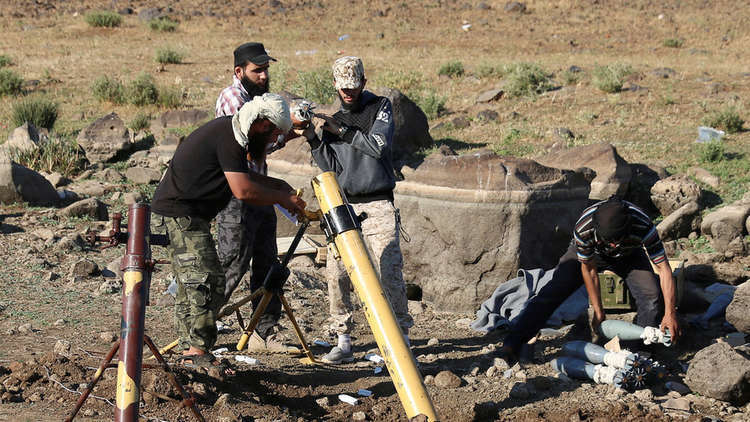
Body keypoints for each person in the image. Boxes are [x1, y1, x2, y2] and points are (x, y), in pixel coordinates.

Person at [151, 94, 306, 367]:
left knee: (193, 283)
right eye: (273, 135)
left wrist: (278, 185)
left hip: (185, 214)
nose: (273, 141)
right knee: (207, 280)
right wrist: (282, 198)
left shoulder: (232, 132)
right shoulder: (229, 137)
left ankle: (190, 350)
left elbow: (241, 175)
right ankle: (197, 353)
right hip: (179, 215)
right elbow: (243, 189)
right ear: (262, 124)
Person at [300, 56, 413, 364]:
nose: (348, 92)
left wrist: (342, 130)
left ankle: (401, 339)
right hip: (344, 204)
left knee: (388, 270)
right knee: (336, 273)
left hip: (377, 202)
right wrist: (312, 137)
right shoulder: (335, 119)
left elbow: (377, 146)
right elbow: (331, 167)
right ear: (335, 84)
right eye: (343, 87)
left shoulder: (380, 107)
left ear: (364, 82)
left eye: (353, 86)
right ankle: (343, 340)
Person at [497, 197, 682, 364]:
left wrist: (670, 313)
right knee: (552, 291)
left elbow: (663, 269)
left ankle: (639, 356)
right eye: (608, 240)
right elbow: (589, 269)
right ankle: (512, 343)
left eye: (618, 239)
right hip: (592, 256)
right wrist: (598, 311)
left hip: (630, 255)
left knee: (651, 295)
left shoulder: (642, 224)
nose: (613, 245)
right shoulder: (585, 227)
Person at [214, 42, 295, 353]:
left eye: (266, 70)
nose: (263, 75)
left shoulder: (258, 100)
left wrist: (284, 130)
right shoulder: (232, 99)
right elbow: (248, 148)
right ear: (239, 71)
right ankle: (198, 330)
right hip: (237, 193)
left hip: (259, 190)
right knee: (232, 263)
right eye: (256, 70)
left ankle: (264, 331)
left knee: (266, 262)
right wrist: (285, 134)